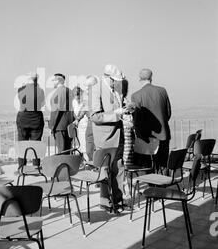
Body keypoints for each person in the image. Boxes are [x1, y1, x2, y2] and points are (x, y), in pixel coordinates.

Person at [90, 64, 129, 212]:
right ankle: (105, 202)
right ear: (107, 77)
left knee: (119, 168)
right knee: (105, 171)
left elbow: (118, 105)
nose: (117, 83)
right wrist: (116, 114)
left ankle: (118, 201)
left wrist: (126, 108)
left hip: (118, 136)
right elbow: (94, 116)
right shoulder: (95, 89)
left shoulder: (115, 88)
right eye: (115, 80)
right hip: (105, 138)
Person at [131, 68, 171, 172]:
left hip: (146, 137)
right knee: (162, 164)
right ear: (151, 78)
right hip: (163, 134)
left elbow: (137, 120)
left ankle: (152, 186)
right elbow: (168, 113)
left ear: (139, 79)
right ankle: (163, 184)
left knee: (148, 167)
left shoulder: (136, 95)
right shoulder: (162, 91)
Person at [14, 72, 45, 141]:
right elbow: (42, 104)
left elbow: (19, 102)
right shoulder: (40, 90)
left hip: (23, 118)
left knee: (22, 143)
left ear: (27, 79)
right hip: (36, 119)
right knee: (36, 144)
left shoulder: (20, 89)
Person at [49, 73, 74, 154]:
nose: (52, 82)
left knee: (62, 151)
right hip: (69, 124)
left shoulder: (58, 92)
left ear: (58, 81)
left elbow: (56, 111)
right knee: (68, 150)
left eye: (53, 81)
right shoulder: (69, 91)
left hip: (59, 125)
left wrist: (52, 125)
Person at [72, 86, 88, 159]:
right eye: (75, 95)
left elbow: (82, 112)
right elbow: (74, 113)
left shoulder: (84, 101)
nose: (76, 96)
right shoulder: (74, 102)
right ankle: (85, 160)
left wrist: (77, 119)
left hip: (85, 124)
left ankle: (87, 161)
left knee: (85, 145)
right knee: (82, 144)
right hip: (79, 125)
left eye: (77, 94)